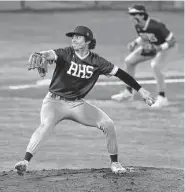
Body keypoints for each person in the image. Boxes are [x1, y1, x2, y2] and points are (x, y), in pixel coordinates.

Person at [15, 26, 154, 176]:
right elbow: (50, 53)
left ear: (88, 41)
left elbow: (121, 74)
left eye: (78, 37)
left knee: (108, 124)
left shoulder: (97, 61)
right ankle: (25, 161)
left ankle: (115, 162)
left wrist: (141, 90)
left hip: (77, 105)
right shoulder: (66, 53)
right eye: (73, 37)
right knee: (46, 125)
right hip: (53, 103)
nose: (74, 39)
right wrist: (41, 54)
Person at [111, 4, 176, 108]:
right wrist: (134, 43)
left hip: (167, 48)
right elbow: (144, 37)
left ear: (142, 15)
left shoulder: (156, 25)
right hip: (153, 47)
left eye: (133, 14)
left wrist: (159, 48)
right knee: (129, 61)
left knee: (155, 65)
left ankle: (162, 97)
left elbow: (172, 41)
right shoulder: (138, 25)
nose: (131, 17)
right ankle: (128, 92)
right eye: (130, 14)